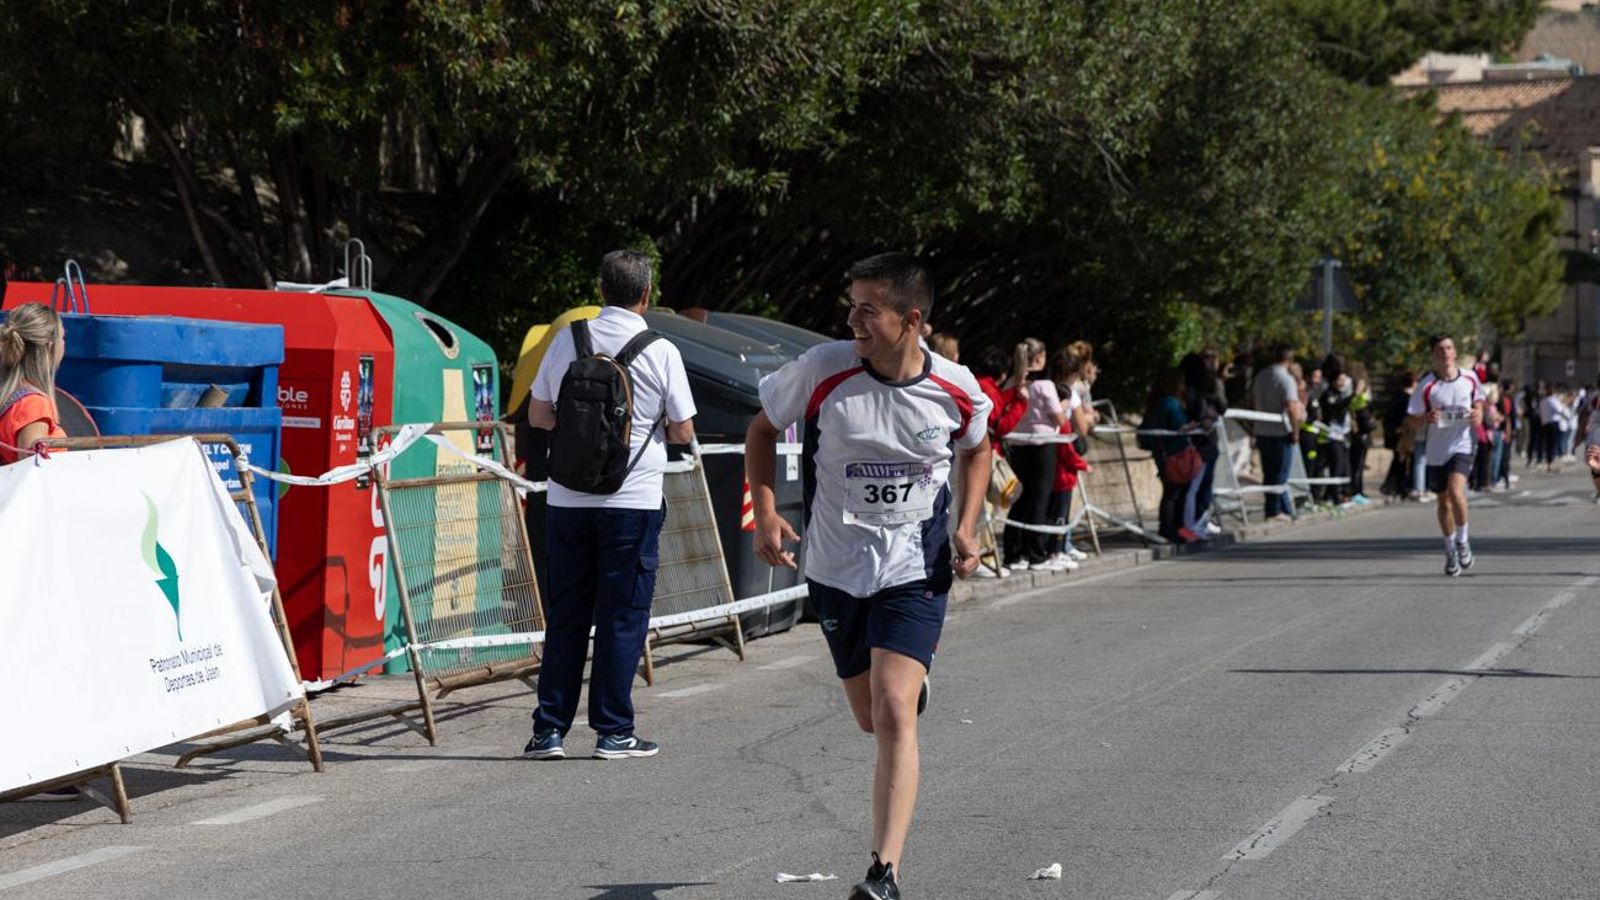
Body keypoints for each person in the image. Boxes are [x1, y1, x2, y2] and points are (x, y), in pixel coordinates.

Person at [745, 252, 991, 900]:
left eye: (868, 308)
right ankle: (906, 694)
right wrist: (765, 510)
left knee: (891, 710)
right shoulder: (823, 371)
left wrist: (968, 524)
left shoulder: (958, 388)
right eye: (850, 305)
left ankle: (884, 873)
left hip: (916, 566)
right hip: (833, 567)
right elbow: (762, 430)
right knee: (869, 716)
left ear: (911, 320)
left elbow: (979, 448)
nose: (853, 319)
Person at [523, 250, 697, 761]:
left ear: (600, 290)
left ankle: (548, 730)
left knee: (567, 614)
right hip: (633, 500)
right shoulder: (660, 349)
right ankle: (613, 731)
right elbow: (683, 428)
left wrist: (581, 433)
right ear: (647, 295)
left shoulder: (568, 340)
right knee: (622, 615)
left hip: (568, 498)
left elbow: (538, 415)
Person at [1407, 335, 1485, 577]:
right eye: (1440, 349)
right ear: (1433, 354)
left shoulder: (1469, 377)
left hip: (1462, 444)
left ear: (1455, 352)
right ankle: (1449, 548)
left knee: (1455, 491)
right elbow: (1411, 419)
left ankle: (1463, 541)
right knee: (1443, 502)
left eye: (1449, 347)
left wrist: (1477, 415)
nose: (1446, 352)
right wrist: (1425, 419)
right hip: (1436, 450)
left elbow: (1479, 403)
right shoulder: (1427, 385)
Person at [1001, 338, 1067, 571]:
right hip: (1042, 445)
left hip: (1017, 445)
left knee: (1019, 499)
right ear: (1039, 358)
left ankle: (1012, 552)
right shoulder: (1044, 386)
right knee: (1039, 499)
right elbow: (1058, 418)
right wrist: (1066, 405)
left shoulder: (1012, 382)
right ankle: (1036, 554)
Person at [0, 302, 68, 465]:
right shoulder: (34, 404)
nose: (64, 344)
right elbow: (31, 470)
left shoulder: (8, 394)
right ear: (50, 348)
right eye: (62, 337)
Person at [1251, 344, 1304, 519]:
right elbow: (1291, 406)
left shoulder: (1261, 375)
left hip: (1262, 430)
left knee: (1269, 473)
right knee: (1281, 473)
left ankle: (1277, 507)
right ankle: (1276, 509)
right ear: (1290, 360)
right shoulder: (1286, 379)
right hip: (1281, 432)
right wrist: (1295, 431)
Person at [1143, 367, 1194, 543]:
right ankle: (1171, 530)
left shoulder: (1157, 402)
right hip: (1174, 454)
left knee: (1171, 492)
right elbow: (1179, 426)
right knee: (1174, 494)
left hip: (1164, 453)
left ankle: (1171, 529)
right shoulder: (1171, 403)